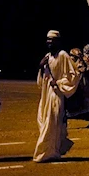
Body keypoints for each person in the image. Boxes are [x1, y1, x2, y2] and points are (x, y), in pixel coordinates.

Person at [34, 30, 80, 163]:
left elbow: (74, 75)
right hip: (46, 94)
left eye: (52, 40)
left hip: (56, 95)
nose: (49, 42)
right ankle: (52, 151)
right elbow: (42, 79)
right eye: (48, 39)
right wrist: (41, 67)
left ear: (58, 41)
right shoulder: (48, 56)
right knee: (43, 120)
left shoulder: (63, 55)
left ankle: (46, 153)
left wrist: (59, 82)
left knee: (51, 124)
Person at [66, 48, 89, 127]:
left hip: (82, 86)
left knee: (85, 104)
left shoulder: (80, 64)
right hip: (80, 86)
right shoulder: (76, 63)